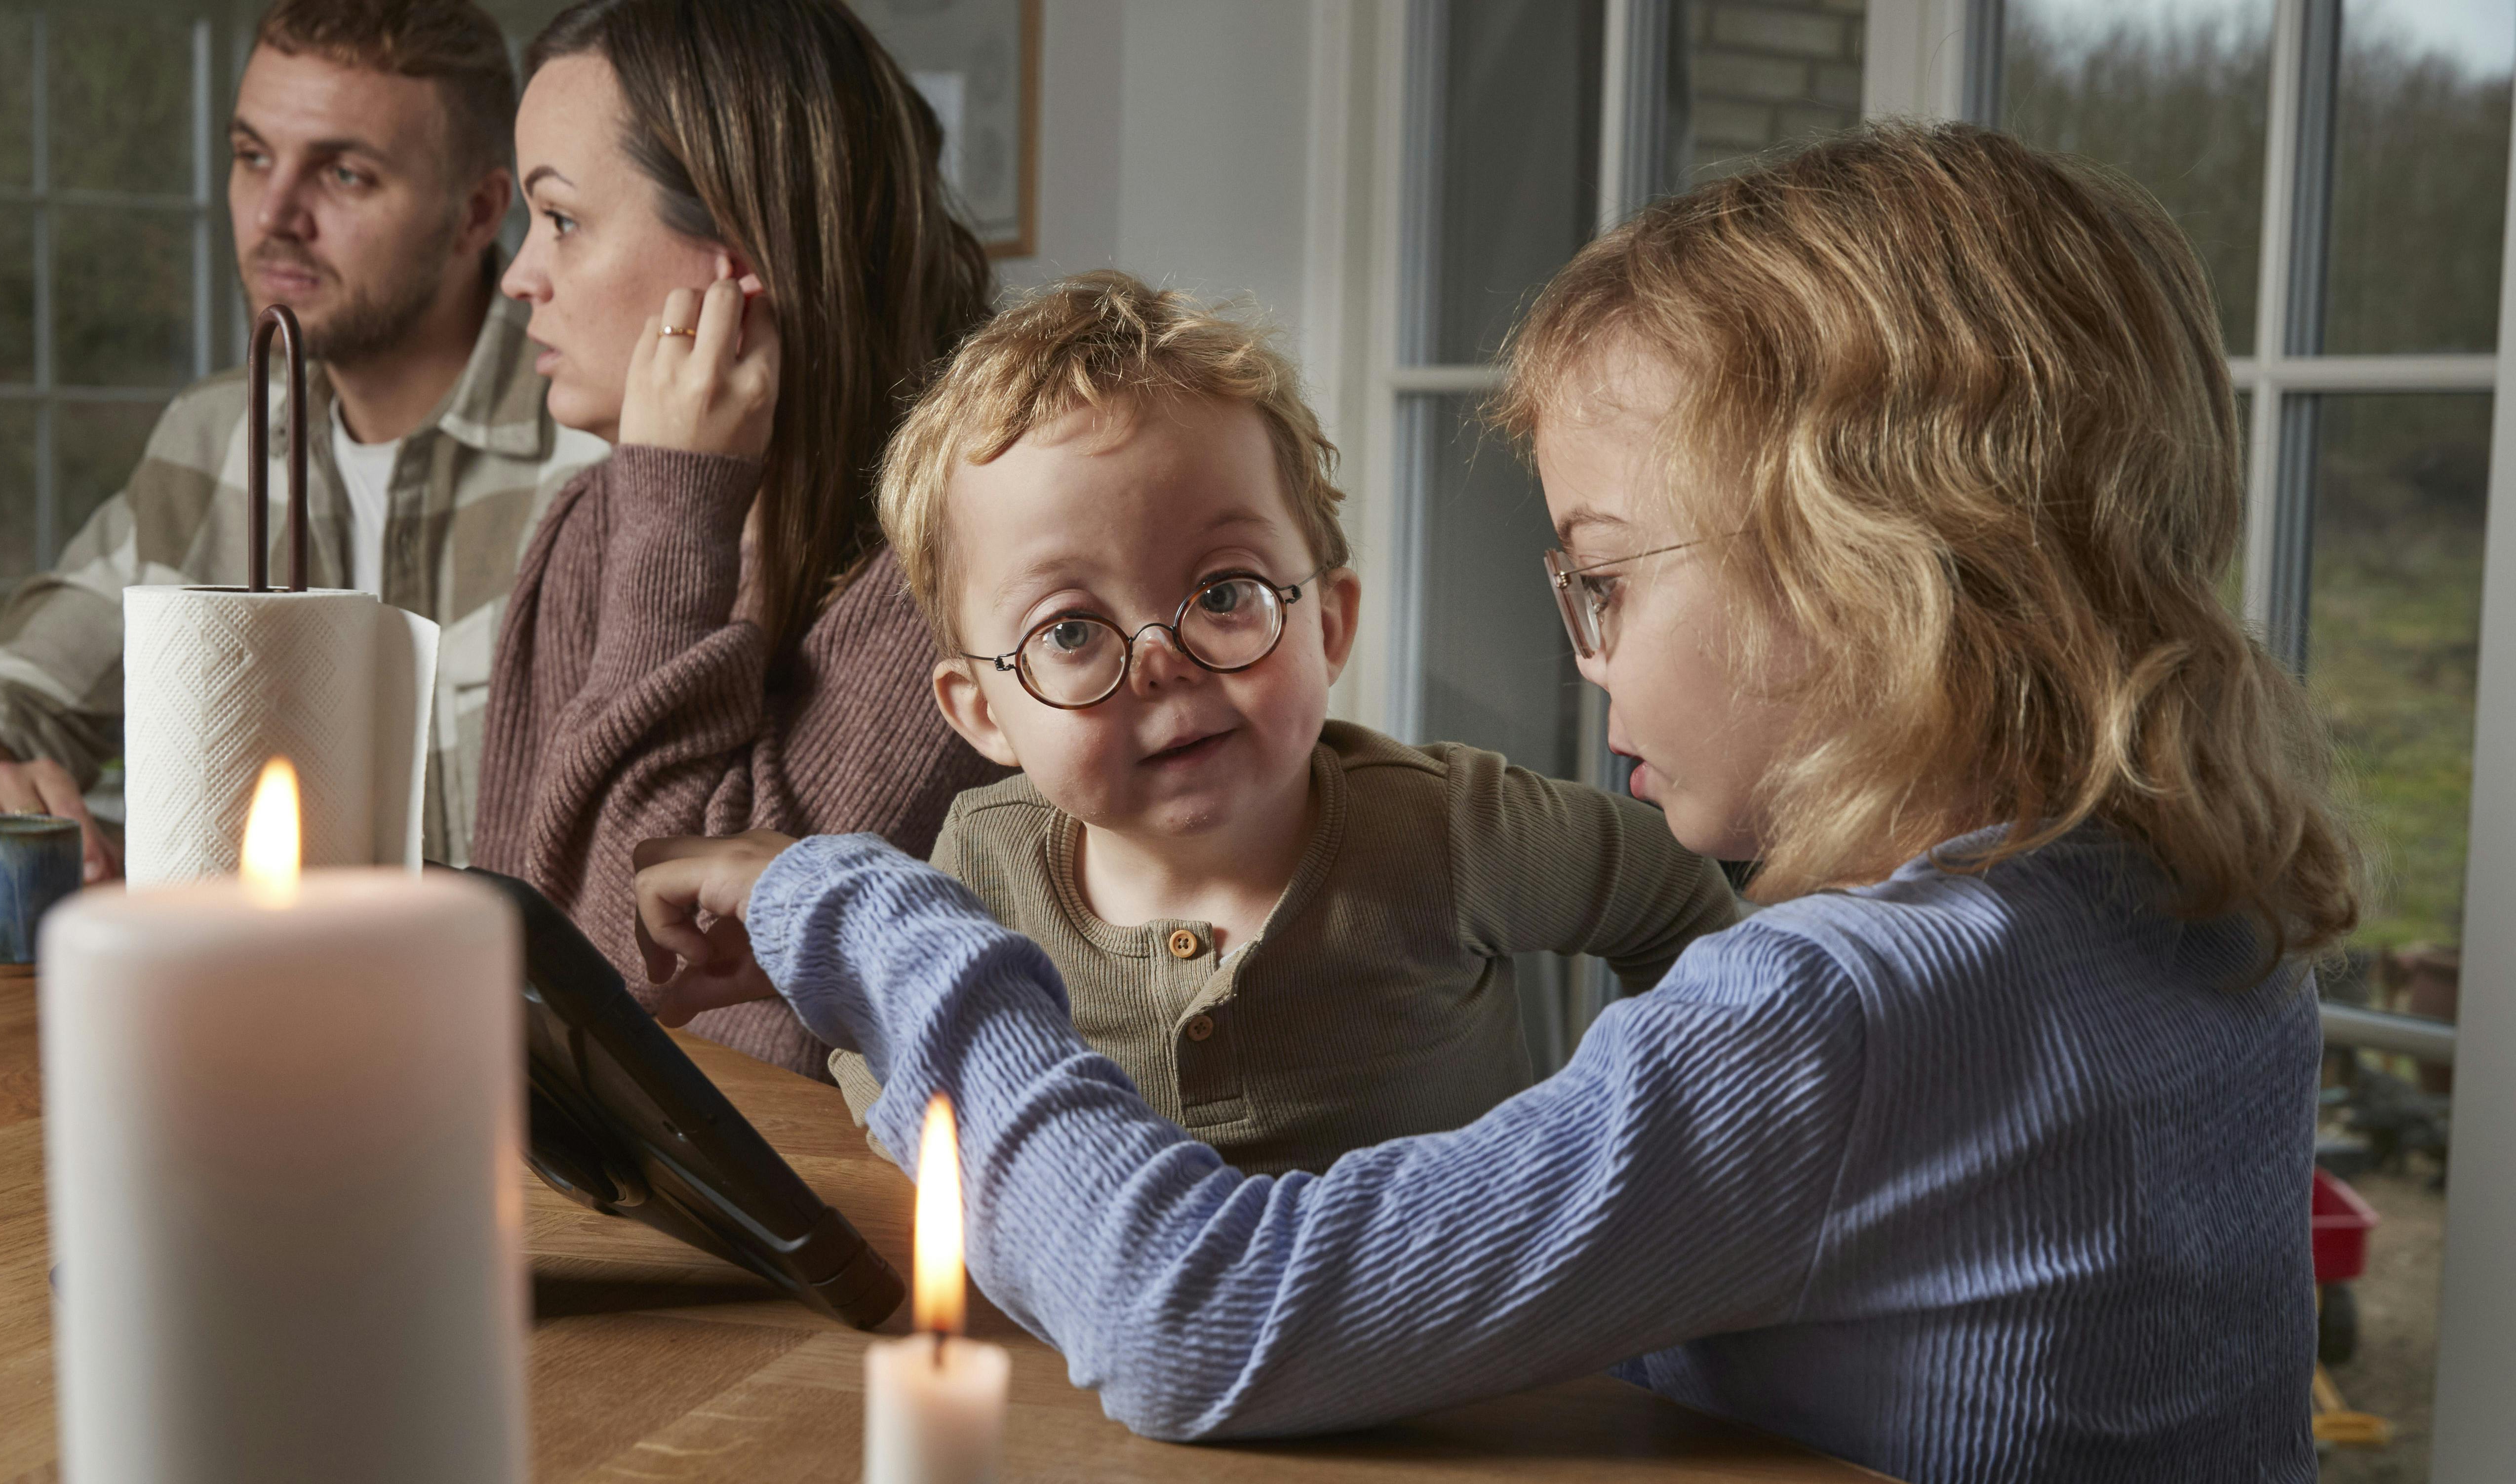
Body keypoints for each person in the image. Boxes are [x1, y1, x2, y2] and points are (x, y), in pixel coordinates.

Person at [629, 124, 2359, 1483]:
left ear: (1851, 579)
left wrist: (846, 901)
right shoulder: (2192, 908)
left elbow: (1196, 1309)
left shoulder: (1834, 1012)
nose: (1587, 656)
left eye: (1603, 577)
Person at [813, 273, 1736, 1175]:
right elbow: (879, 1033)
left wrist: (1635, 1140)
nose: (1160, 662)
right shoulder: (983, 861)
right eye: (1069, 629)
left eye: (1223, 592)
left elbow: (1675, 897)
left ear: (1326, 625)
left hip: (1434, 1318)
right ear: (984, 714)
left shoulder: (1451, 831)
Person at [0, 0, 604, 875]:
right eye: (253, 157)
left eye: (345, 176)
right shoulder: (218, 436)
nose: (272, 215)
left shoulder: (603, 444)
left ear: (478, 213)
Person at [470, 0, 1005, 1080]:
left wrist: (678, 509)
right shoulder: (588, 528)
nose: (518, 275)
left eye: (561, 220)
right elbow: (513, 970)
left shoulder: (952, 569)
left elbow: (677, 990)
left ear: (739, 260)